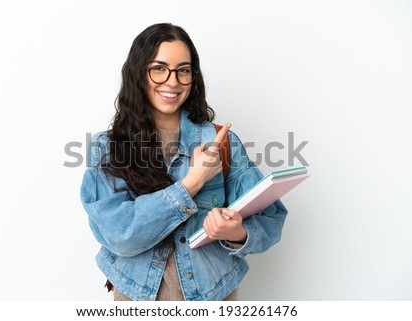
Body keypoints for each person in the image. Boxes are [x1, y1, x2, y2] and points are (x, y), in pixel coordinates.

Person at [80, 23, 288, 301]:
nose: (173, 81)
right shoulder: (106, 149)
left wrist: (237, 232)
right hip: (134, 298)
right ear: (138, 73)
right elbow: (120, 234)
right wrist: (192, 182)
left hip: (213, 297)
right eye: (159, 68)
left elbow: (270, 218)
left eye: (184, 70)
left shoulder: (221, 142)